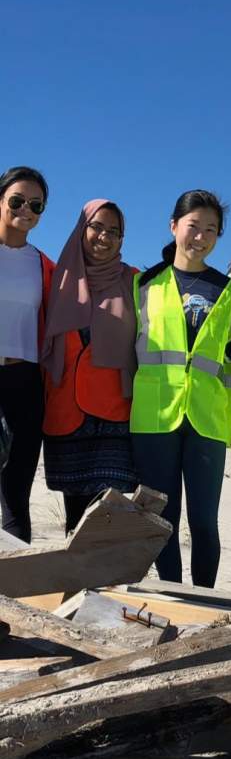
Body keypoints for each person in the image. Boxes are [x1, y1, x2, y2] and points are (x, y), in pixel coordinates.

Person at [130, 190, 231, 587]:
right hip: (154, 416)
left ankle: (205, 599)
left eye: (211, 230)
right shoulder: (144, 285)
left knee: (203, 519)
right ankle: (174, 596)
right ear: (174, 226)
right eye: (193, 226)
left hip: (207, 418)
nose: (200, 236)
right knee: (162, 518)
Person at [40, 200, 138, 533]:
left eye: (114, 231)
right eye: (97, 227)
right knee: (74, 520)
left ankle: (104, 584)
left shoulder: (134, 282)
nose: (104, 237)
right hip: (65, 414)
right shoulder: (55, 279)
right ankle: (77, 585)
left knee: (105, 520)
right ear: (81, 229)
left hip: (114, 416)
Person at [0, 166, 53, 542]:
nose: (26, 209)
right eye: (17, 200)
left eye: (36, 204)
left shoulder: (44, 266)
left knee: (16, 494)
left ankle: (15, 590)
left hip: (26, 381)